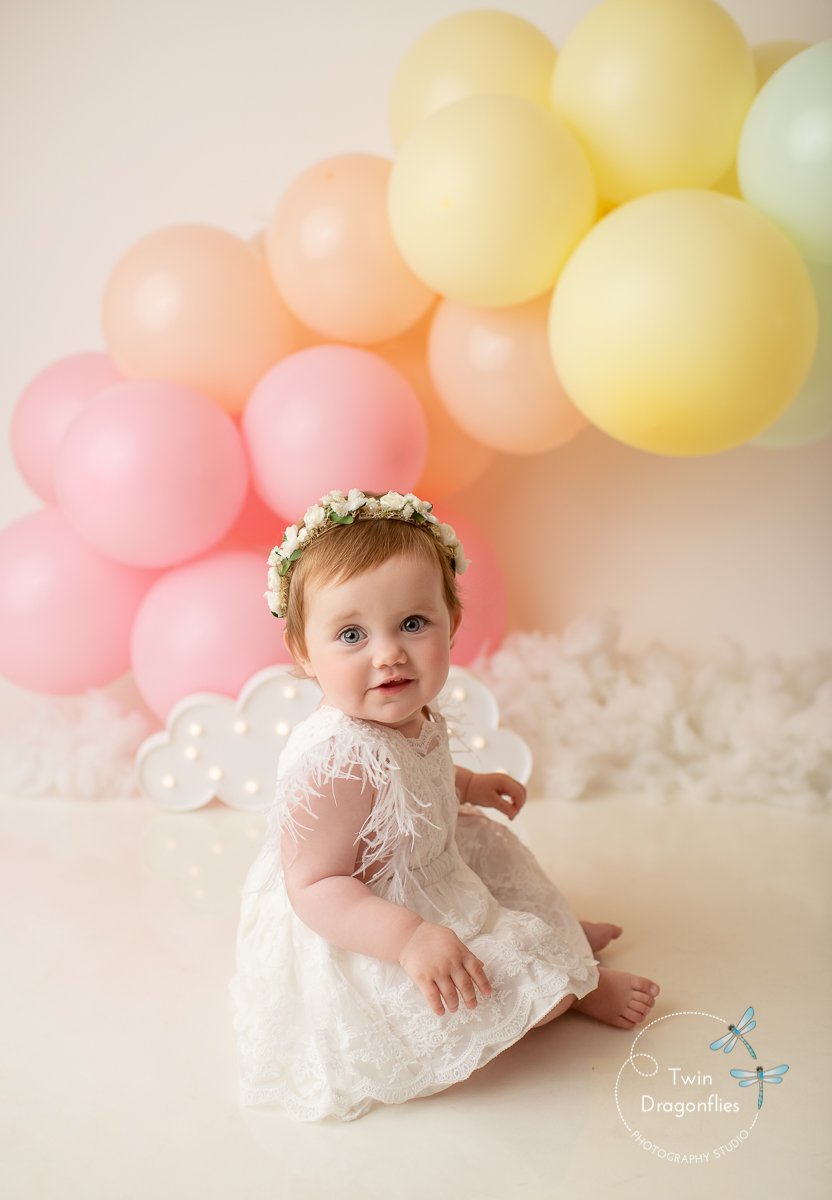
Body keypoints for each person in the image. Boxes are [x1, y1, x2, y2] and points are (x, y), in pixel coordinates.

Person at [229, 488, 660, 1122]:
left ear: (451, 622)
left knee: (515, 887)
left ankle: (561, 942)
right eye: (351, 634)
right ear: (302, 652)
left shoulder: (404, 705)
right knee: (484, 972)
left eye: (412, 623)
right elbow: (316, 884)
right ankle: (574, 988)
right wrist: (409, 940)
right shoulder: (335, 762)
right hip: (366, 912)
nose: (389, 653)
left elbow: (412, 772)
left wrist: (466, 785)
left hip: (430, 860)